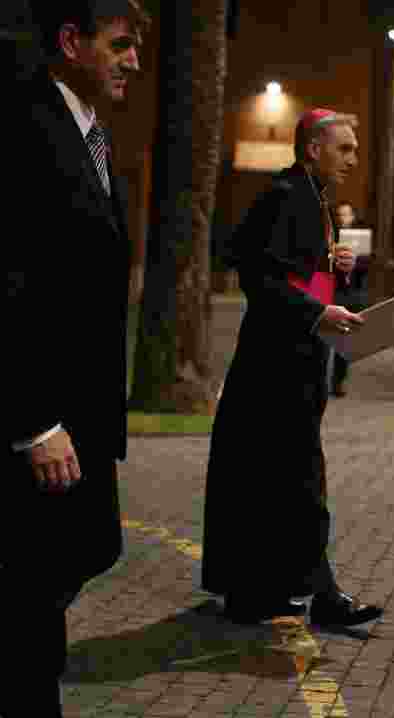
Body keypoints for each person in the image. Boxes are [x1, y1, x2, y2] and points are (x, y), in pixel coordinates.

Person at [2, 2, 149, 715]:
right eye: (120, 45)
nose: (134, 62)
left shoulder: (88, 132)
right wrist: (33, 422)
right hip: (40, 427)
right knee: (25, 612)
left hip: (83, 422)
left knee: (79, 559)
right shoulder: (24, 128)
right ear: (70, 41)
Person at [201, 108, 382, 628]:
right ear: (313, 150)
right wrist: (318, 310)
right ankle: (320, 596)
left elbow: (290, 271)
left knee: (272, 478)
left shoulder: (310, 197)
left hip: (295, 358)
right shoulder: (286, 196)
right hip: (276, 365)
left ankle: (258, 592)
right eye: (344, 148)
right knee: (298, 479)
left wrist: (331, 264)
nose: (352, 158)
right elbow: (259, 278)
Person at [329, 201, 371, 397]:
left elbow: (366, 266)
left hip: (351, 294)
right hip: (332, 292)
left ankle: (338, 381)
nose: (343, 219)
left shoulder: (360, 239)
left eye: (346, 215)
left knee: (343, 341)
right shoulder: (331, 237)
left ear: (353, 217)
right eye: (339, 215)